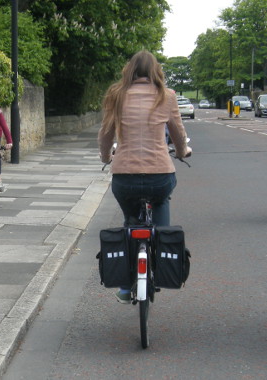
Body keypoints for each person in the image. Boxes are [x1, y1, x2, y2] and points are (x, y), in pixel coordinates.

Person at [98, 50, 192, 303]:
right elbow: (178, 133)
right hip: (160, 174)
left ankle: (127, 287)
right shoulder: (167, 96)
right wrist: (183, 151)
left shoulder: (116, 95)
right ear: (155, 71)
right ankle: (161, 258)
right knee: (161, 204)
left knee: (131, 219)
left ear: (129, 70)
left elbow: (106, 135)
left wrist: (106, 157)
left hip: (124, 176)